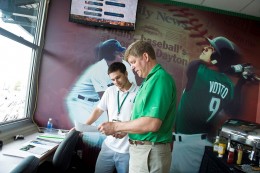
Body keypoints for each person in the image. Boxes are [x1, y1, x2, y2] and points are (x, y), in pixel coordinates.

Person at [171, 36, 247, 173]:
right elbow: (233, 109)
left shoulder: (200, 72)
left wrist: (207, 61)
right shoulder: (228, 85)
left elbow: (192, 66)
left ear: (216, 58)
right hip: (199, 142)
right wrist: (240, 82)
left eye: (211, 49)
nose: (205, 49)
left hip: (189, 144)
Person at [98, 40, 177, 173]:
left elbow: (152, 123)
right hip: (143, 151)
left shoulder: (159, 79)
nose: (132, 67)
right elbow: (142, 120)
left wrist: (115, 126)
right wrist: (126, 130)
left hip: (150, 153)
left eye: (133, 62)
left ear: (145, 57)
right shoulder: (148, 81)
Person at [65, 39, 136, 125]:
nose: (122, 55)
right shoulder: (98, 69)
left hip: (96, 102)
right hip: (80, 102)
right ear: (109, 56)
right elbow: (106, 100)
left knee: (103, 134)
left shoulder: (125, 65)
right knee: (87, 132)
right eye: (118, 53)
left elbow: (133, 89)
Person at [85, 62, 139, 173]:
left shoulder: (139, 93)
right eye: (113, 80)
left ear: (126, 73)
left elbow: (140, 121)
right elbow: (98, 110)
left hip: (127, 151)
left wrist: (125, 130)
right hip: (108, 146)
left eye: (118, 77)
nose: (116, 82)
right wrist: (84, 126)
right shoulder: (110, 91)